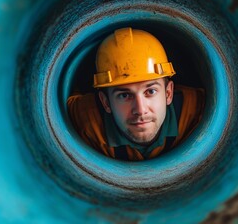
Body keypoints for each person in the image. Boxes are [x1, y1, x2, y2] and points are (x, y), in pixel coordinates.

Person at [67, 27, 204, 161]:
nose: (140, 110)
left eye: (150, 91)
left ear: (168, 93)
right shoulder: (85, 118)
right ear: (106, 102)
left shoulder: (196, 109)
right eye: (125, 95)